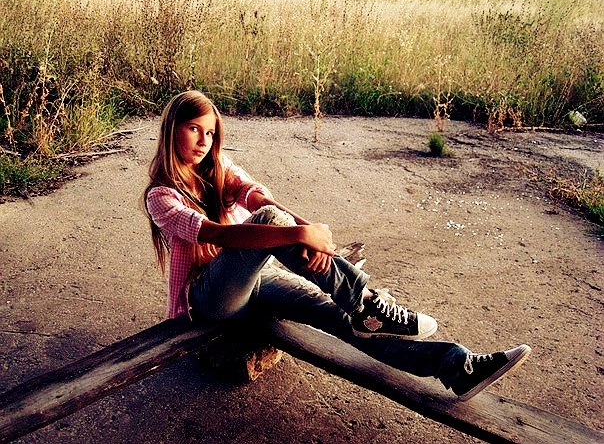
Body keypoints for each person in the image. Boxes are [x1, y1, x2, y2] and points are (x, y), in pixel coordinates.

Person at [144, 90, 531, 401]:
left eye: (211, 133)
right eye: (194, 129)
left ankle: (455, 366)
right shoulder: (160, 195)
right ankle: (366, 301)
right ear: (172, 129)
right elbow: (218, 234)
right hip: (210, 297)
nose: (204, 141)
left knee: (342, 316)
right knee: (273, 224)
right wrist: (299, 235)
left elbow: (257, 197)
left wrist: (307, 231)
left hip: (257, 280)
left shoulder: (218, 168)